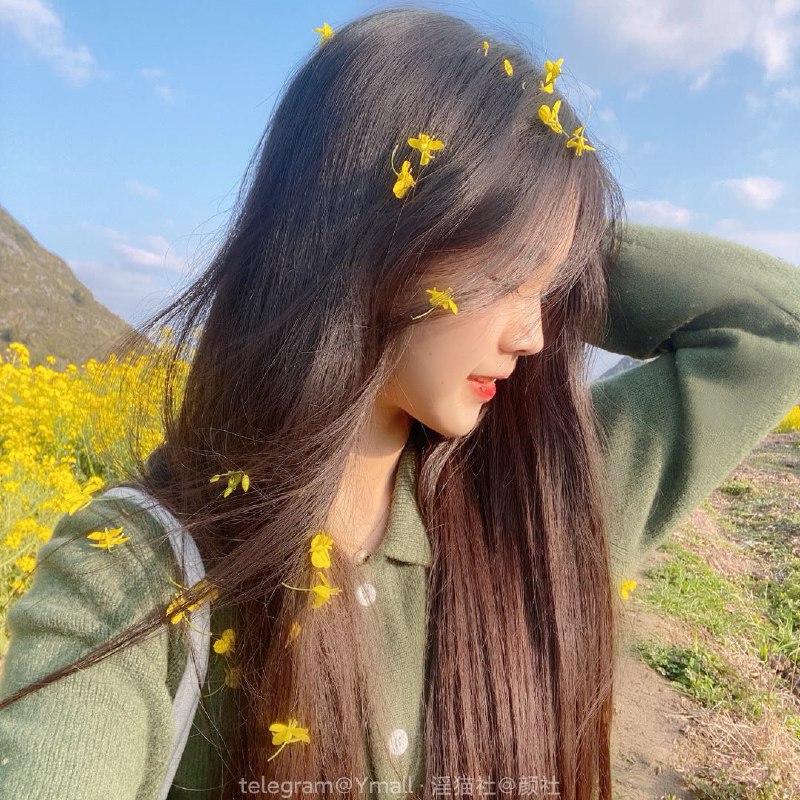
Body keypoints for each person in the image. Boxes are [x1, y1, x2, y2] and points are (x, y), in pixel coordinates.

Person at [2, 6, 800, 800]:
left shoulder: (541, 511)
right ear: (375, 235)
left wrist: (551, 221)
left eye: (551, 288)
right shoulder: (137, 581)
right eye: (509, 274)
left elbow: (779, 328)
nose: (534, 335)